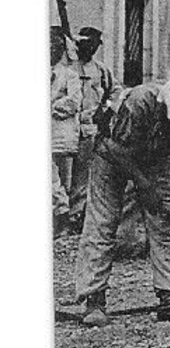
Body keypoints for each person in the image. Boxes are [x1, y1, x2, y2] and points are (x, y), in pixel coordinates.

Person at [70, 69, 170, 327]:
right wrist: (143, 184)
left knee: (166, 227)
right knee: (103, 223)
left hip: (159, 157)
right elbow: (116, 148)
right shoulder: (141, 101)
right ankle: (94, 299)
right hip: (112, 153)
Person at [66, 27, 119, 221]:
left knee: (83, 172)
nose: (91, 49)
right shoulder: (68, 68)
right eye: (88, 44)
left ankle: (78, 212)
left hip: (88, 127)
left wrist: (105, 109)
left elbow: (115, 92)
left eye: (95, 45)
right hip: (66, 126)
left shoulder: (101, 70)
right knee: (64, 172)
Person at [51, 28, 81, 235]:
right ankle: (57, 214)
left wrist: (52, 105)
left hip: (63, 134)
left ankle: (65, 220)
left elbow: (74, 101)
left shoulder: (69, 75)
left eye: (56, 47)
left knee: (64, 179)